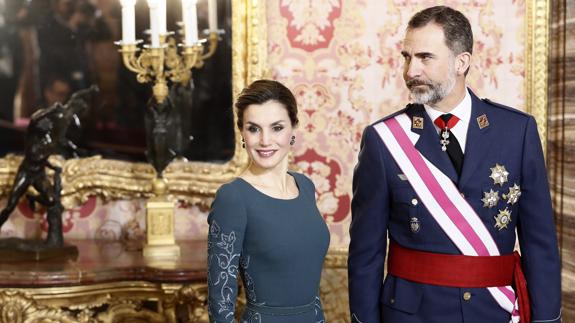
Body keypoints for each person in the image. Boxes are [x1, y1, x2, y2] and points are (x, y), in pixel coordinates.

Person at [348, 5, 561, 323]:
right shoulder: (383, 140)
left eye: (425, 57)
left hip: (492, 310)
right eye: (407, 57)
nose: (410, 71)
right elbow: (366, 253)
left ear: (462, 62)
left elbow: (540, 243)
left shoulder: (517, 131)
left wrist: (546, 319)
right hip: (411, 314)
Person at [207, 79, 330, 322]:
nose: (265, 140)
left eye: (276, 128)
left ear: (293, 128)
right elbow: (220, 300)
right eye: (253, 128)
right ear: (241, 131)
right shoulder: (233, 197)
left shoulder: (305, 186)